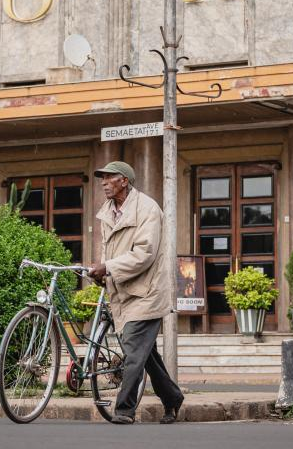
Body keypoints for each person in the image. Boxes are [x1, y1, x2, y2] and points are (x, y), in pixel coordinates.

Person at [87, 160, 184, 425]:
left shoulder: (147, 209)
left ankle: (125, 409)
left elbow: (144, 254)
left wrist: (108, 267)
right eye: (102, 179)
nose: (104, 183)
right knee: (145, 355)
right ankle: (173, 398)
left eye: (110, 178)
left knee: (133, 351)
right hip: (124, 290)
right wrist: (104, 274)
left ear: (125, 181)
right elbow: (110, 251)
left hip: (148, 292)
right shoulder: (107, 211)